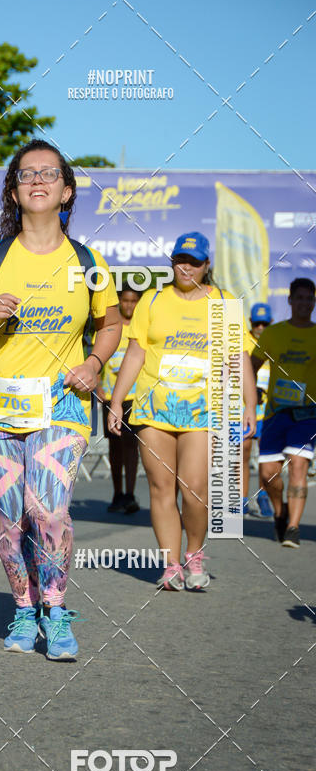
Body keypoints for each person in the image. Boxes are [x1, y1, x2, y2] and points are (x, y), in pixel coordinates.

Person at [0, 139, 120, 659]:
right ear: (14, 190)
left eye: (49, 173)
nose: (38, 180)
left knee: (48, 510)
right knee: (12, 515)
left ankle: (56, 607)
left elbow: (111, 324)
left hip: (61, 405)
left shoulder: (88, 262)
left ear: (66, 191)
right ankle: (24, 611)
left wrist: (94, 364)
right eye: (27, 174)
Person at [109, 232, 256, 591]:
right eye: (180, 260)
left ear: (207, 266)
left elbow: (239, 357)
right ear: (171, 262)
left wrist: (248, 404)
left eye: (194, 261)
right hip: (153, 407)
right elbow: (135, 353)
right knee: (161, 488)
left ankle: (194, 554)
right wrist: (116, 401)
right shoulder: (153, 300)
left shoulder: (224, 303)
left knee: (193, 489)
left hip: (203, 409)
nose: (186, 267)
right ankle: (171, 564)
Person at [251, 277, 316, 548]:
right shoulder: (273, 334)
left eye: (309, 298)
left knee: (299, 466)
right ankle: (280, 511)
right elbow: (251, 365)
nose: (304, 303)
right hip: (275, 413)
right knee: (268, 475)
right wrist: (251, 390)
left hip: (307, 414)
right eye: (299, 298)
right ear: (290, 301)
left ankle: (293, 528)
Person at [95, 283, 141, 513]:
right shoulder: (110, 327)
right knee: (114, 446)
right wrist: (98, 387)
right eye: (125, 300)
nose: (129, 305)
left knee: (131, 445)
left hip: (134, 396)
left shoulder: (141, 328)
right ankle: (117, 493)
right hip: (111, 396)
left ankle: (131, 494)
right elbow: (98, 359)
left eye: (133, 301)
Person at [243, 303, 273, 517]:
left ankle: (263, 496)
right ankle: (242, 499)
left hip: (269, 410)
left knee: (266, 457)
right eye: (257, 323)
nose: (260, 327)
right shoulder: (244, 339)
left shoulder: (275, 342)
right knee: (243, 453)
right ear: (251, 323)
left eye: (265, 323)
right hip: (245, 408)